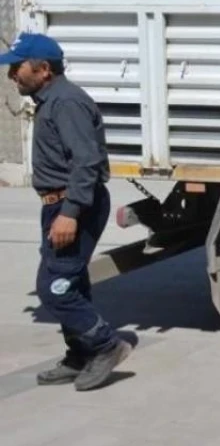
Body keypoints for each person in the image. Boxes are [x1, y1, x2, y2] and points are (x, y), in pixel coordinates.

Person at [4, 32, 132, 391]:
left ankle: (106, 346)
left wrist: (70, 213)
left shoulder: (66, 103)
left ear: (43, 69)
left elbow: (87, 163)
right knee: (70, 280)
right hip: (60, 204)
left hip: (74, 204)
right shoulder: (51, 100)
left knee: (54, 288)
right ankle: (80, 355)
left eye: (17, 68)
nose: (12, 75)